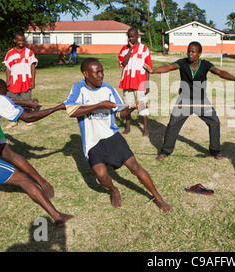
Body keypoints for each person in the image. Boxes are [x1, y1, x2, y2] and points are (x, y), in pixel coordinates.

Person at [64, 58, 171, 213]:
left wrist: (133, 108)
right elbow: (71, 111)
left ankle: (158, 197)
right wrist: (100, 104)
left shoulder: (108, 89)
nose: (101, 75)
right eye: (97, 72)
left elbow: (121, 113)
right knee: (101, 175)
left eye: (102, 71)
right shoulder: (79, 89)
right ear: (86, 74)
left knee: (135, 167)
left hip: (112, 136)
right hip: (93, 142)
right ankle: (114, 190)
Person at [0, 79, 73, 227]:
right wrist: (58, 108)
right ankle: (58, 217)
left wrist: (25, 103)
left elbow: (4, 101)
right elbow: (28, 117)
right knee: (23, 180)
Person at [144, 41, 235, 161]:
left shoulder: (205, 65)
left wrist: (234, 78)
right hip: (184, 100)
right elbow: (169, 67)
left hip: (201, 101)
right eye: (189, 51)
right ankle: (165, 151)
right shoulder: (182, 63)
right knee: (172, 125)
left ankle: (215, 151)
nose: (190, 54)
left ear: (199, 54)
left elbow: (219, 72)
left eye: (193, 52)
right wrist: (153, 71)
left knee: (215, 122)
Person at [118, 27, 151, 136]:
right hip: (127, 82)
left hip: (139, 81)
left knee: (142, 104)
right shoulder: (124, 49)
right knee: (129, 106)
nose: (131, 38)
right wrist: (130, 50)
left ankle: (145, 128)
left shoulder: (144, 48)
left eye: (133, 36)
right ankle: (127, 127)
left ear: (137, 36)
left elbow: (148, 67)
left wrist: (147, 83)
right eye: (129, 36)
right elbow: (123, 63)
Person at [3, 31, 38, 128]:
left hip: (26, 80)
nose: (21, 42)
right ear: (15, 40)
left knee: (26, 101)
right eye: (19, 40)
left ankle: (27, 118)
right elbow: (7, 68)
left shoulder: (29, 53)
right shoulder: (10, 53)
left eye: (23, 40)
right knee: (13, 101)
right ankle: (14, 120)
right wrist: (8, 80)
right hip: (14, 81)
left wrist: (33, 81)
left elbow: (33, 67)